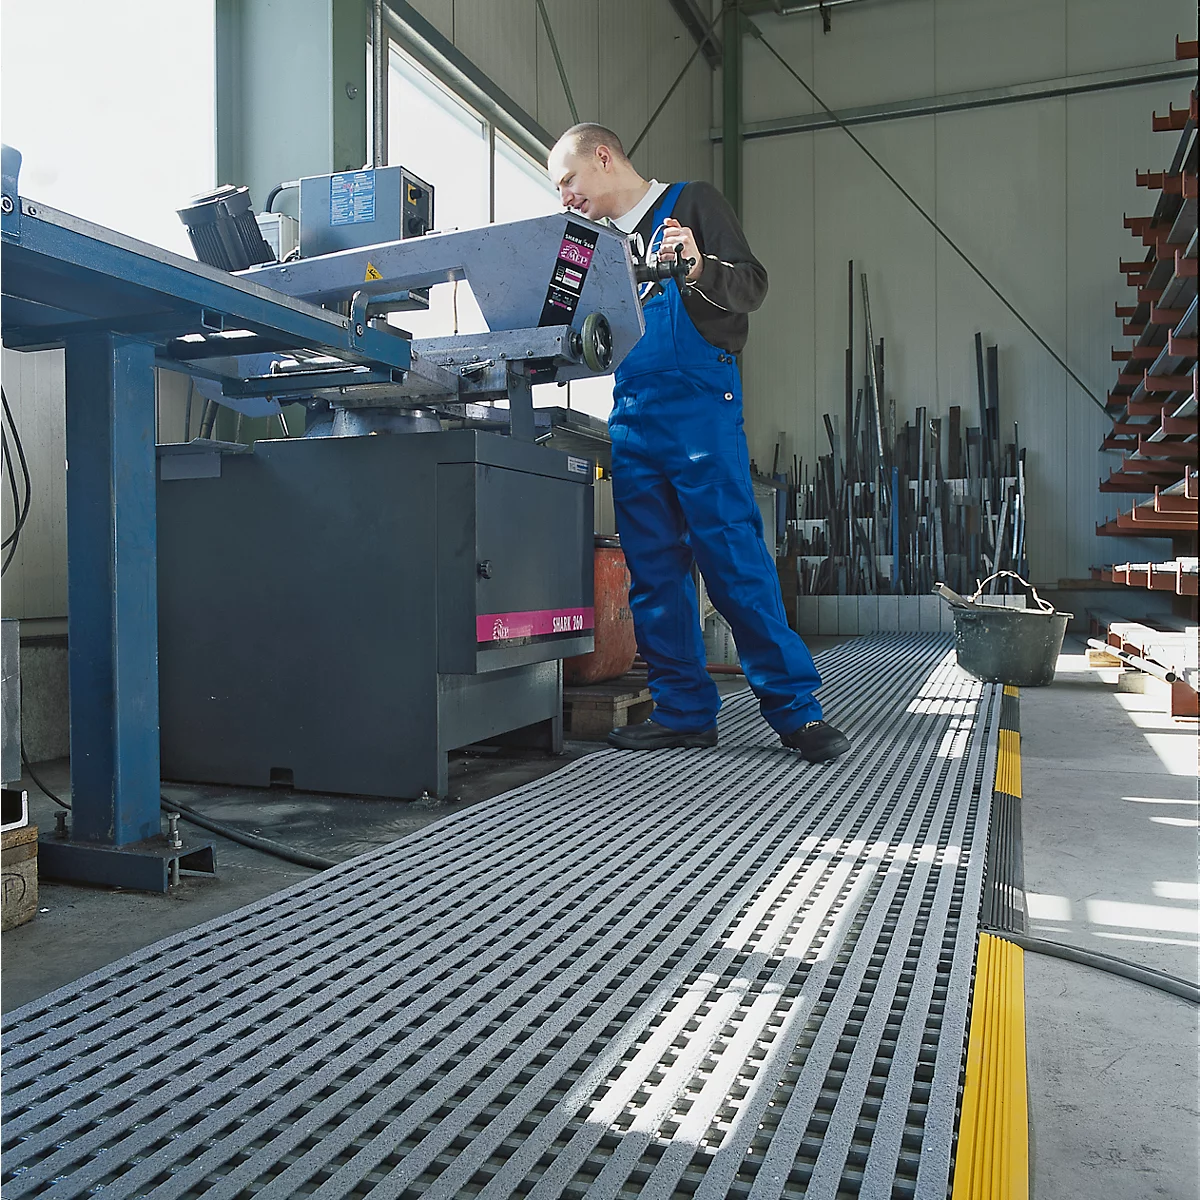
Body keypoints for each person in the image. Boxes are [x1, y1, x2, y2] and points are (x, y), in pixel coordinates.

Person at [547, 124, 850, 764]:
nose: (564, 197)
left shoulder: (693, 203)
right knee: (653, 572)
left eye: (568, 180)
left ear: (603, 157)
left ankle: (797, 712)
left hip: (700, 407)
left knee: (733, 558)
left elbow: (752, 288)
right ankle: (683, 712)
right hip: (631, 414)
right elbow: (559, 328)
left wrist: (698, 267)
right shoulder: (587, 248)